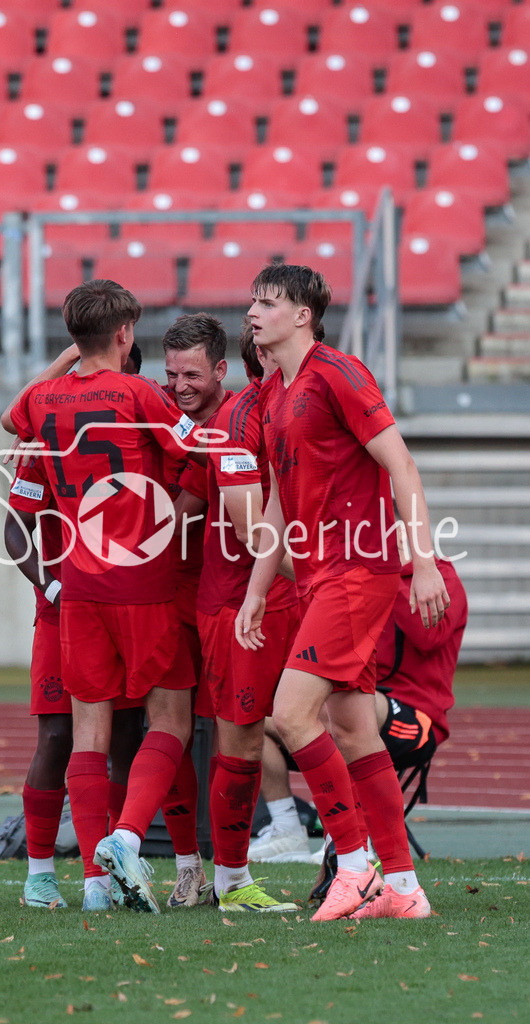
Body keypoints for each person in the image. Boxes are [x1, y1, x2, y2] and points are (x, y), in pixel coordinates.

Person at [236, 263, 450, 921]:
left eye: (267, 302)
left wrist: (425, 560)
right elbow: (275, 506)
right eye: (252, 300)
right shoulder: (275, 393)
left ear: (303, 314)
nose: (253, 311)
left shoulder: (339, 372)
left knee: (290, 715)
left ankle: (354, 866)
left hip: (358, 573)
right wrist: (255, 590)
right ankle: (404, 888)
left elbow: (401, 464)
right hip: (319, 578)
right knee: (353, 730)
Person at [2, 279, 202, 914]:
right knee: (169, 719)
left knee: (88, 734)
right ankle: (125, 836)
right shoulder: (141, 393)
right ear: (124, 335)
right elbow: (200, 452)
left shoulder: (41, 403)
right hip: (142, 580)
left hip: (78, 589)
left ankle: (93, 884)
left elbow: (14, 417)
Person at [3, 343, 146, 910]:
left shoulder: (147, 431)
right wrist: (54, 586)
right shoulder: (47, 442)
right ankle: (40, 874)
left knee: (128, 737)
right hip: (65, 609)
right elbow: (16, 530)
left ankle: (102, 869)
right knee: (59, 736)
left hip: (131, 605)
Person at [249, 549, 468, 865]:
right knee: (249, 719)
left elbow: (428, 635)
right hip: (359, 697)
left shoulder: (439, 576)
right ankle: (287, 829)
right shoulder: (357, 571)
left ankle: (351, 838)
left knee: (341, 708)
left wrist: (382, 580)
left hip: (417, 715)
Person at [190, 319, 304, 911]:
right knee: (241, 741)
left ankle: (357, 861)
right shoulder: (241, 418)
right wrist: (321, 580)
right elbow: (250, 526)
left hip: (285, 594)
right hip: (243, 603)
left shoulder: (293, 407)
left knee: (334, 721)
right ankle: (230, 881)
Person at [160, 313, 232, 908]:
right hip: (166, 599)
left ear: (220, 371)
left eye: (191, 374)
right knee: (169, 734)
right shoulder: (154, 413)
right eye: (171, 373)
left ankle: (234, 871)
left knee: (244, 733)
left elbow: (182, 506)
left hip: (235, 599)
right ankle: (188, 868)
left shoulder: (242, 417)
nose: (179, 385)